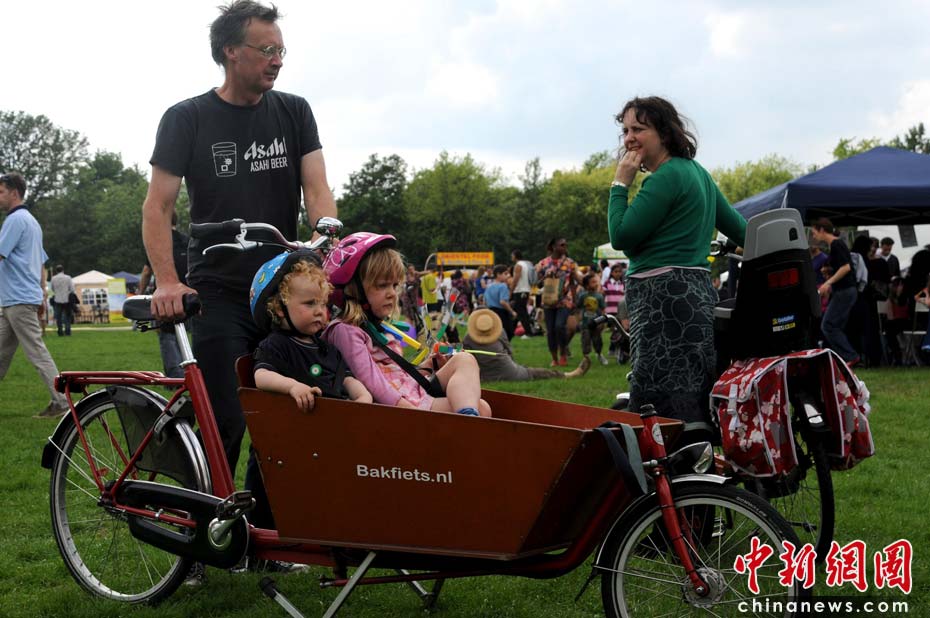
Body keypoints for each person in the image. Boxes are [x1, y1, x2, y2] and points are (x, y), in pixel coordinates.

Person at [141, 0, 337, 542]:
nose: (278, 60)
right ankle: (199, 535)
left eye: (282, 50)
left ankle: (266, 537)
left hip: (280, 287)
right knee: (225, 414)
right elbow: (158, 206)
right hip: (219, 289)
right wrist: (168, 281)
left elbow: (317, 189)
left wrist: (327, 238)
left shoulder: (294, 111)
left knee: (289, 411)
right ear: (231, 51)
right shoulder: (187, 117)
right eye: (266, 49)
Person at [607, 96, 746, 437]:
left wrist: (620, 184)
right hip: (697, 295)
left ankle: (672, 466)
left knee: (657, 402)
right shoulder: (699, 174)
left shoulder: (665, 177)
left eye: (639, 129)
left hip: (661, 301)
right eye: (626, 130)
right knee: (693, 393)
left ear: (664, 132)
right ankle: (697, 462)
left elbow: (621, 236)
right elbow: (743, 231)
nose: (629, 138)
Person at [322, 233, 491, 417]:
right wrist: (410, 412)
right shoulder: (345, 331)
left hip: (413, 395)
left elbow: (395, 375)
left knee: (465, 360)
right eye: (382, 285)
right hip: (401, 408)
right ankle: (469, 421)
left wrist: (428, 366)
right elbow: (373, 382)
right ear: (354, 290)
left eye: (394, 286)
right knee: (482, 409)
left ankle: (468, 417)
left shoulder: (376, 328)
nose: (392, 293)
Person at [250, 252, 370, 410]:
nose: (320, 311)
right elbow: (261, 376)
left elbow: (346, 379)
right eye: (310, 303)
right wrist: (292, 386)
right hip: (300, 420)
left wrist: (363, 396)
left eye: (323, 304)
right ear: (280, 307)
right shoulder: (276, 344)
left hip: (337, 417)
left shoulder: (327, 348)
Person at [0, 173, 70, 418]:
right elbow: (41, 263)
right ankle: (61, 401)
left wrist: (39, 294)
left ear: (14, 193)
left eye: (1, 192)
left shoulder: (15, 220)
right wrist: (41, 293)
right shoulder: (31, 222)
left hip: (18, 299)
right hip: (17, 298)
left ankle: (62, 401)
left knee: (37, 352)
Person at [463, 309, 590, 381]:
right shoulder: (500, 332)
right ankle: (568, 375)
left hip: (482, 377)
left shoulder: (468, 338)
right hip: (509, 371)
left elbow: (464, 357)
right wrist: (515, 367)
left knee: (525, 370)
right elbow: (509, 351)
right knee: (534, 373)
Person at [138, 212, 190, 378]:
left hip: (167, 296)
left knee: (167, 336)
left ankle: (175, 375)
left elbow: (147, 272)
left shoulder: (159, 244)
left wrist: (140, 293)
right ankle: (191, 371)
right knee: (187, 336)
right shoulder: (187, 241)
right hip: (189, 297)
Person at [810, 218, 859, 367]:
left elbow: (846, 268)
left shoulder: (836, 244)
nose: (813, 236)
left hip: (845, 290)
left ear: (822, 230)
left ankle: (849, 356)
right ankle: (845, 357)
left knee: (828, 325)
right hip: (843, 290)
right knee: (834, 326)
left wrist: (827, 283)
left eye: (814, 232)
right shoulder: (835, 245)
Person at [535, 238, 582, 367]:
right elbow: (538, 285)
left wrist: (575, 299)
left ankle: (563, 354)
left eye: (565, 245)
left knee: (559, 326)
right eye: (562, 245)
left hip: (565, 301)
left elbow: (573, 282)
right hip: (549, 301)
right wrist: (545, 278)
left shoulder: (570, 263)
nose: (565, 247)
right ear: (554, 247)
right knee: (550, 330)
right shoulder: (543, 264)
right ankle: (554, 358)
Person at [575, 272, 609, 365]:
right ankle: (586, 357)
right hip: (585, 324)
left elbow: (603, 310)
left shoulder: (599, 296)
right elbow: (578, 308)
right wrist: (578, 320)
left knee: (597, 340)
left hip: (596, 324)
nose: (596, 284)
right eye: (593, 282)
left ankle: (599, 354)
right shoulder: (583, 296)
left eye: (596, 281)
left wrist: (603, 322)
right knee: (585, 340)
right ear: (587, 285)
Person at [483, 264, 518, 340]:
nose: (508, 276)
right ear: (498, 274)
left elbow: (484, 301)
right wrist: (512, 311)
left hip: (491, 311)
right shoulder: (503, 286)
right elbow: (502, 302)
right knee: (508, 331)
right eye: (505, 274)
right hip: (501, 312)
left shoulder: (489, 286)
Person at [510, 250, 536, 339]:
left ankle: (529, 332)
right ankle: (511, 331)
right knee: (516, 311)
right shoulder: (526, 264)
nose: (511, 257)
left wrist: (511, 290)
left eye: (512, 256)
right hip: (525, 290)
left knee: (522, 312)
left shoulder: (518, 265)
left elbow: (516, 279)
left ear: (515, 256)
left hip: (520, 290)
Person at [50, 265, 75, 336]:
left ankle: (60, 331)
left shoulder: (53, 278)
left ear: (56, 271)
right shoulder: (68, 277)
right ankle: (67, 331)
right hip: (67, 299)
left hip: (57, 299)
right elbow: (72, 289)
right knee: (67, 316)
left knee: (58, 317)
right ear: (63, 270)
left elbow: (52, 288)